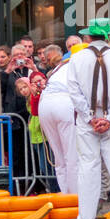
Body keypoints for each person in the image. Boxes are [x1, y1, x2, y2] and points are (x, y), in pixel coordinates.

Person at [66, 20, 110, 219]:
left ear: (87, 38)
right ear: (109, 37)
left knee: (88, 169)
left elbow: (74, 92)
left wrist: (89, 117)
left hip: (88, 122)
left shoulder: (77, 59)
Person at [37, 44, 78, 196]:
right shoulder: (77, 66)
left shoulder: (56, 70)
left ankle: (66, 194)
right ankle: (75, 198)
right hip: (64, 102)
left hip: (46, 103)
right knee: (72, 156)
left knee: (60, 157)